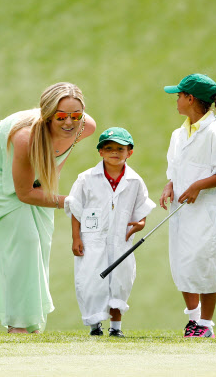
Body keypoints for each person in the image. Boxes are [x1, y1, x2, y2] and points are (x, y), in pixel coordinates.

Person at [0, 82, 96, 333]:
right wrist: (71, 201)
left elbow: (58, 156)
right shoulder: (25, 138)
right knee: (25, 241)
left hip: (34, 173)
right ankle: (18, 326)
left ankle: (34, 324)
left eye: (76, 115)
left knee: (42, 240)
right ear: (48, 115)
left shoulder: (85, 127)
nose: (69, 122)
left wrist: (49, 183)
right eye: (61, 116)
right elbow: (25, 193)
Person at [159, 73, 216, 338]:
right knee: (182, 265)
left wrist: (197, 186)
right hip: (182, 212)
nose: (176, 100)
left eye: (179, 95)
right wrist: (171, 185)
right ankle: (192, 321)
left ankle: (206, 325)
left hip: (207, 213)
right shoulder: (178, 134)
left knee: (204, 267)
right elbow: (175, 169)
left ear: (190, 98)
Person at [64, 127, 156, 337]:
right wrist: (76, 237)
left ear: (129, 152)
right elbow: (76, 209)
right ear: (101, 152)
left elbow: (141, 208)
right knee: (91, 282)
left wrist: (141, 223)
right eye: (109, 148)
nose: (115, 152)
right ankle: (95, 326)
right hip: (92, 240)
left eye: (120, 149)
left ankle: (116, 328)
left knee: (120, 282)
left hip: (121, 240)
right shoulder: (86, 179)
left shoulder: (135, 181)